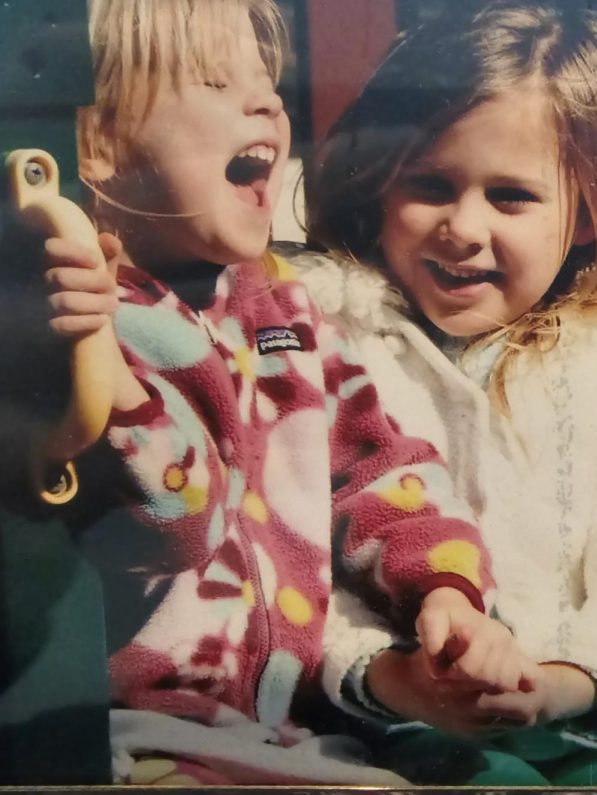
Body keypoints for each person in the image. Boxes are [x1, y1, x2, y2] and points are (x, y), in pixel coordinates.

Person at [41, 0, 531, 783]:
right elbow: (172, 523)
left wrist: (446, 589)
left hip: (287, 728)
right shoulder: (92, 325)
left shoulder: (283, 312)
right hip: (141, 735)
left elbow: (380, 466)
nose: (267, 101)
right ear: (99, 142)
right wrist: (92, 348)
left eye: (267, 81)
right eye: (216, 80)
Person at [297, 3, 597, 786]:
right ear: (376, 181)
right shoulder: (332, 346)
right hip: (400, 731)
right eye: (431, 184)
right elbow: (298, 570)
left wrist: (566, 682)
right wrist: (390, 675)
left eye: (511, 197)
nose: (463, 227)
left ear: (591, 212)